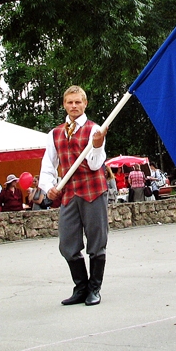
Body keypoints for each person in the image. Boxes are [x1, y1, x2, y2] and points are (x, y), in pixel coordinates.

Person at [39, 85, 108, 306]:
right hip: (69, 193)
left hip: (93, 191)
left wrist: (96, 147)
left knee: (97, 242)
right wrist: (49, 186)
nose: (74, 106)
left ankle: (94, 289)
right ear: (64, 105)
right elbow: (48, 165)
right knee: (67, 243)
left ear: (85, 103)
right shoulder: (55, 133)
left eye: (78, 102)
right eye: (70, 102)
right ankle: (81, 287)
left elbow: (96, 164)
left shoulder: (95, 130)